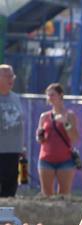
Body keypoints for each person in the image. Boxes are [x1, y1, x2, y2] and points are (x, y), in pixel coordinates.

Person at [36, 83, 78, 197]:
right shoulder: (44, 116)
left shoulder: (70, 115)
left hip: (65, 160)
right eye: (48, 95)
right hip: (46, 159)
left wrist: (65, 123)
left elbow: (74, 137)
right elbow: (40, 139)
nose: (49, 97)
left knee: (64, 195)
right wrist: (40, 135)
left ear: (60, 95)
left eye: (52, 94)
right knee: (47, 195)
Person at [0, 64, 25, 197]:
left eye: (12, 76)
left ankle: (5, 217)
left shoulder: (16, 98)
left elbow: (20, 123)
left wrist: (22, 146)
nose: (11, 79)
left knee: (10, 190)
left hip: (13, 151)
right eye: (7, 76)